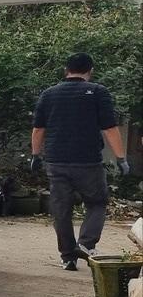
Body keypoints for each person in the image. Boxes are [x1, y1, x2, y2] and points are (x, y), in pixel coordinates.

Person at [30, 52, 130, 271]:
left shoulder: (49, 94)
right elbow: (110, 128)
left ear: (66, 70)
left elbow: (38, 128)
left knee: (61, 210)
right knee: (97, 203)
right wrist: (121, 158)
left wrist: (35, 155)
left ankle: (68, 256)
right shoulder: (97, 92)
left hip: (56, 162)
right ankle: (85, 243)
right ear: (90, 70)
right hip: (88, 162)